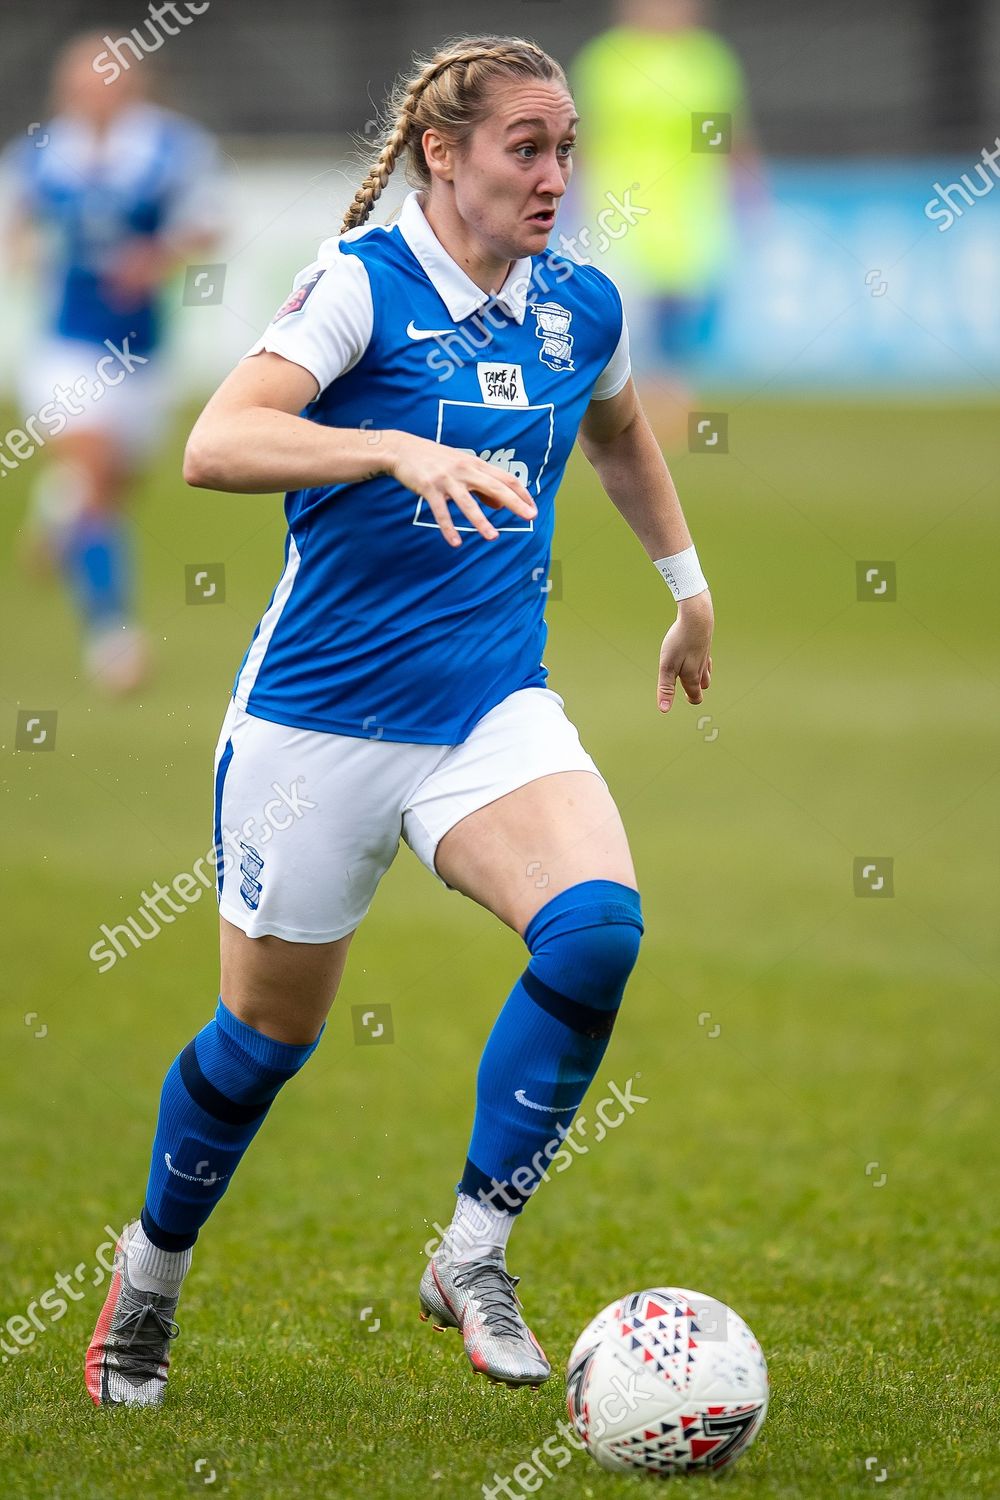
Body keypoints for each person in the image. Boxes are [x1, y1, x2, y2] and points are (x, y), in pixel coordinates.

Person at [86, 33, 714, 1407]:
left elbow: (615, 432)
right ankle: (149, 1273)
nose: (555, 175)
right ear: (446, 151)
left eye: (566, 149)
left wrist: (687, 585)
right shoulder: (360, 285)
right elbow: (215, 443)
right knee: (262, 1043)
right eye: (525, 149)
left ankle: (472, 1251)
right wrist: (390, 443)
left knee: (599, 926)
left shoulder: (577, 304)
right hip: (317, 730)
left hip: (490, 710)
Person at [4, 33, 221, 692]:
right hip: (68, 348)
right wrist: (26, 252)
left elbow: (210, 223)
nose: (95, 94)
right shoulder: (40, 154)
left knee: (114, 488)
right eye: (83, 83)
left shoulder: (172, 149)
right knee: (97, 478)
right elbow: (15, 223)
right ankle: (112, 639)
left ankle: (56, 508)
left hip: (143, 354)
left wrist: (157, 257)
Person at [572, 0, 761, 437]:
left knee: (680, 309)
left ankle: (669, 402)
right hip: (619, 206)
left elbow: (730, 135)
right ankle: (629, 407)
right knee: (626, 311)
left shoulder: (709, 60)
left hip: (690, 207)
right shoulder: (605, 60)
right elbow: (584, 137)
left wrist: (750, 188)